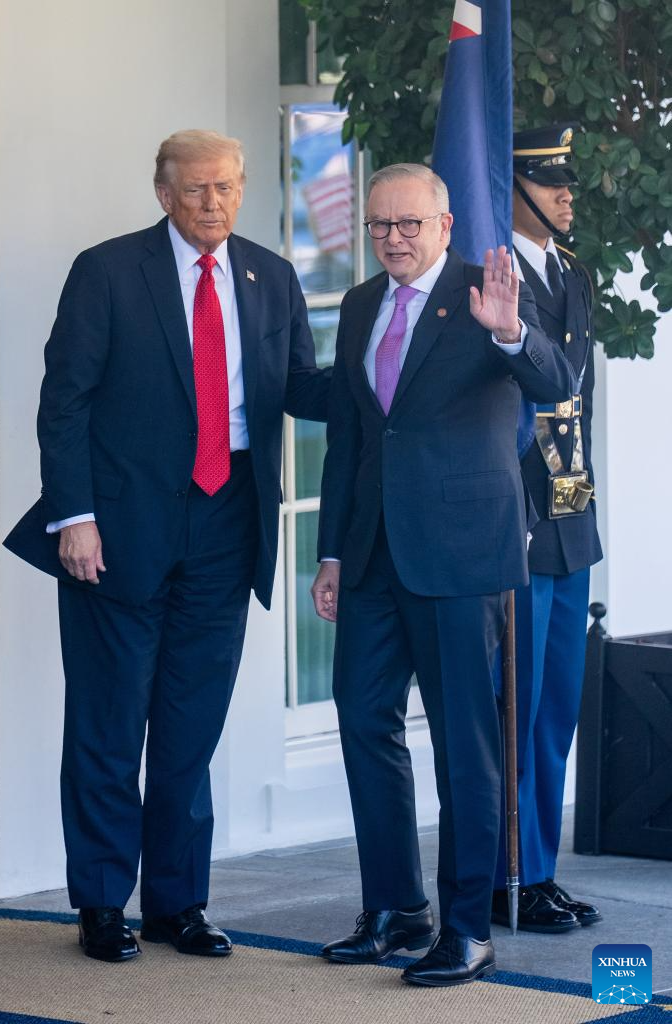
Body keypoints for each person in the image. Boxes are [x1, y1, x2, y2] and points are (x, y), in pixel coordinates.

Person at [5, 129, 330, 963]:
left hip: (228, 527)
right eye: (194, 190)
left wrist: (393, 362)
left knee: (190, 728)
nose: (212, 203)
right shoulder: (107, 272)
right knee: (110, 728)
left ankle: (177, 905)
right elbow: (64, 402)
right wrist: (72, 515)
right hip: (117, 534)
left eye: (225, 187)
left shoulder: (272, 276)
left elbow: (299, 385)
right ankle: (103, 906)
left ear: (243, 188)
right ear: (162, 194)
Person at [310, 163, 576, 987]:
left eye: (408, 226)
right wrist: (330, 552)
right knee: (363, 721)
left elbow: (555, 383)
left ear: (445, 224)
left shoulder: (487, 290)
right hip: (372, 555)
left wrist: (507, 332)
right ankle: (394, 908)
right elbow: (354, 439)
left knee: (465, 745)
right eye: (380, 226)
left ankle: (465, 928)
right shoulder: (359, 303)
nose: (392, 239)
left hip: (462, 554)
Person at [491, 125, 603, 933]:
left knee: (555, 706)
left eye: (565, 180)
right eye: (550, 181)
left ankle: (540, 870)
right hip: (515, 522)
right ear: (514, 190)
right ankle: (508, 876)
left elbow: (578, 405)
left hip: (568, 517)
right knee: (513, 707)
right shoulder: (490, 283)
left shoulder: (570, 272)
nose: (566, 193)